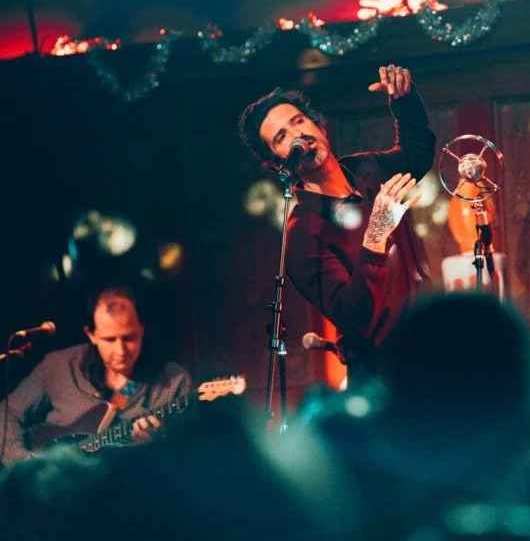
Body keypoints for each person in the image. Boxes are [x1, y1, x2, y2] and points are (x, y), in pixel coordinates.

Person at [238, 63, 436, 374]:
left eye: (299, 121)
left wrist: (404, 100)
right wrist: (375, 235)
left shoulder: (364, 170)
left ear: (318, 126)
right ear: (277, 162)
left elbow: (417, 153)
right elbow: (353, 318)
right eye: (281, 137)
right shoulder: (303, 234)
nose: (297, 136)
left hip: (432, 346)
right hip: (385, 376)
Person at [0, 286, 193, 466]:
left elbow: (188, 458)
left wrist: (158, 443)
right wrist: (23, 463)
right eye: (109, 339)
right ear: (91, 334)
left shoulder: (174, 381)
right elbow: (6, 412)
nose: (121, 350)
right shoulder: (57, 366)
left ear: (142, 329)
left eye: (129, 338)